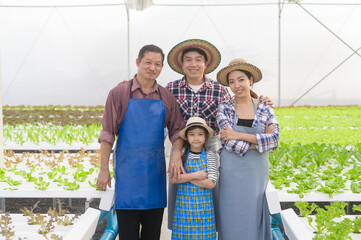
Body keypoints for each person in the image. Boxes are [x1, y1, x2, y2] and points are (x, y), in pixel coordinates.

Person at [165, 39, 274, 229]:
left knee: (211, 199)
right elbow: (163, 118)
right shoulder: (170, 89)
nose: (193, 64)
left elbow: (238, 109)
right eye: (188, 60)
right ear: (181, 64)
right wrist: (175, 152)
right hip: (181, 151)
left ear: (206, 64)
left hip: (210, 151)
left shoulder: (219, 90)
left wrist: (260, 98)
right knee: (181, 200)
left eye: (198, 59)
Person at [96, 44, 185, 240]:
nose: (152, 68)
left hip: (154, 176)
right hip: (128, 176)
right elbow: (108, 133)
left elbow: (178, 130)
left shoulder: (166, 97)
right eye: (148, 62)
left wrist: (176, 153)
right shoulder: (118, 93)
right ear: (138, 62)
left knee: (152, 236)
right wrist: (104, 169)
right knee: (128, 236)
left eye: (157, 64)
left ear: (161, 68)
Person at [215, 59, 280, 240]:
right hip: (231, 173)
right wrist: (259, 142)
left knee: (254, 216)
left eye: (241, 79)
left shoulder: (264, 106)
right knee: (231, 215)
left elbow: (274, 140)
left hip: (256, 173)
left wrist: (239, 134)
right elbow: (229, 143)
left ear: (251, 80)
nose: (236, 85)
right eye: (231, 81)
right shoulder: (225, 107)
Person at [170, 117, 218, 240]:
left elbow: (211, 183)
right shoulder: (181, 155)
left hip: (204, 211)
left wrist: (184, 177)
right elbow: (173, 179)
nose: (196, 138)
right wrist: (195, 175)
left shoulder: (211, 156)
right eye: (192, 134)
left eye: (200, 134)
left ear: (206, 137)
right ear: (187, 137)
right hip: (183, 211)